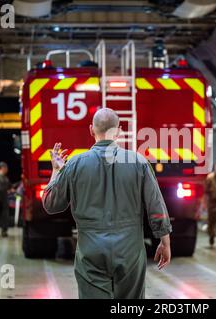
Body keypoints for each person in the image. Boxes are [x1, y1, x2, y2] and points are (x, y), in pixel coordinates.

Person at [42, 108, 172, 299]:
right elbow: (156, 207)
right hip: (130, 250)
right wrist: (164, 241)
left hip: (90, 251)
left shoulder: (75, 164)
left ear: (91, 130)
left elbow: (51, 203)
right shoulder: (138, 162)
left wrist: (56, 170)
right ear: (118, 131)